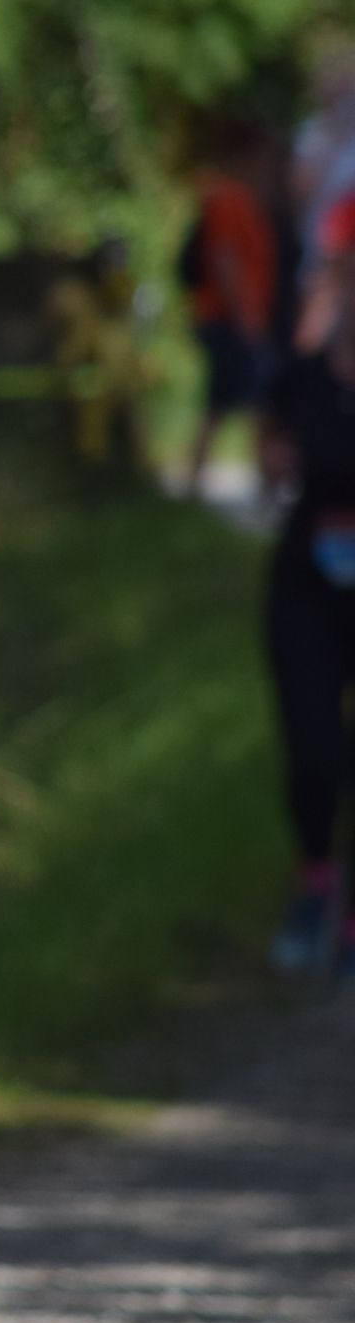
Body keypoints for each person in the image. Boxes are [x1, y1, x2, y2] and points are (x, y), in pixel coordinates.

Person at [264, 182, 355, 972]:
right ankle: (315, 879)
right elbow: (273, 462)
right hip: (309, 584)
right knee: (314, 750)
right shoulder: (306, 372)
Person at [178, 121, 279, 497]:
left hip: (233, 317)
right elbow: (225, 259)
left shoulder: (238, 197)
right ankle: (261, 486)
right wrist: (244, 317)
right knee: (245, 402)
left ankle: (252, 482)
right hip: (227, 318)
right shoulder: (228, 197)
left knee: (235, 402)